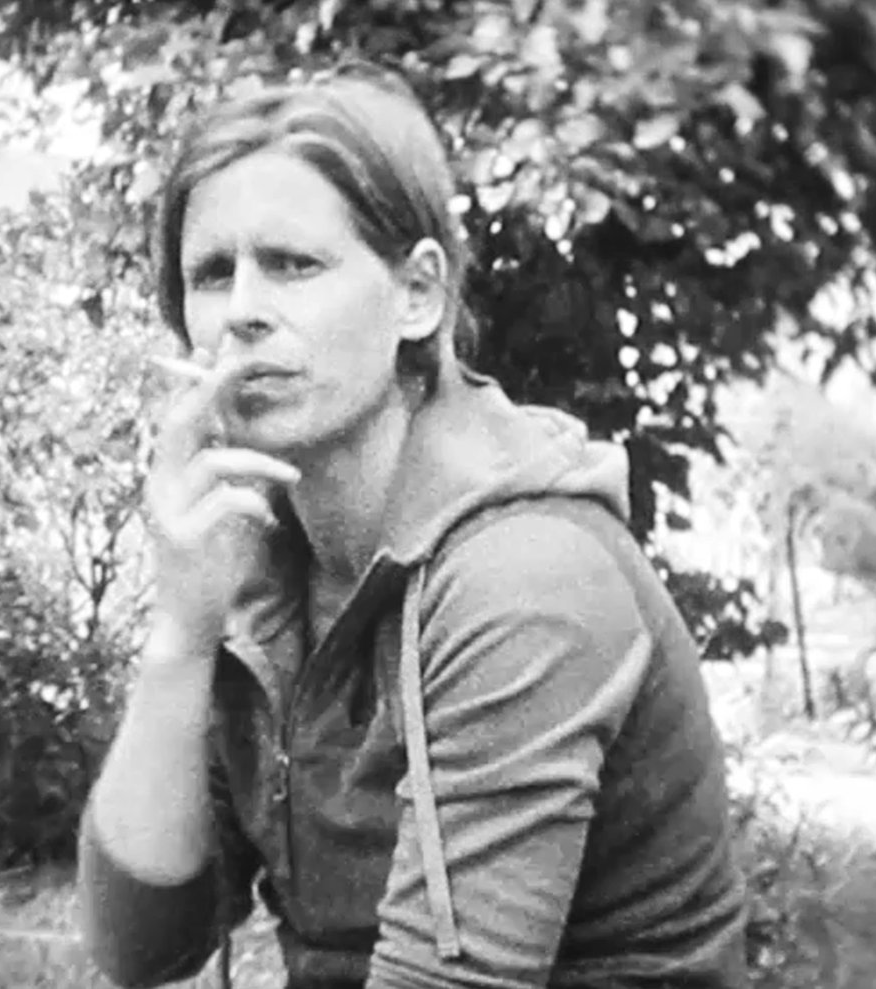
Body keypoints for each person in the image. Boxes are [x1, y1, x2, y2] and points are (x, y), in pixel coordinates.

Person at [77, 64, 749, 989]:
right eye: (210, 274)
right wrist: (182, 634)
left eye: (294, 264)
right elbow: (143, 947)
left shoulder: (522, 574)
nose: (242, 312)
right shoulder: (253, 556)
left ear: (418, 295)